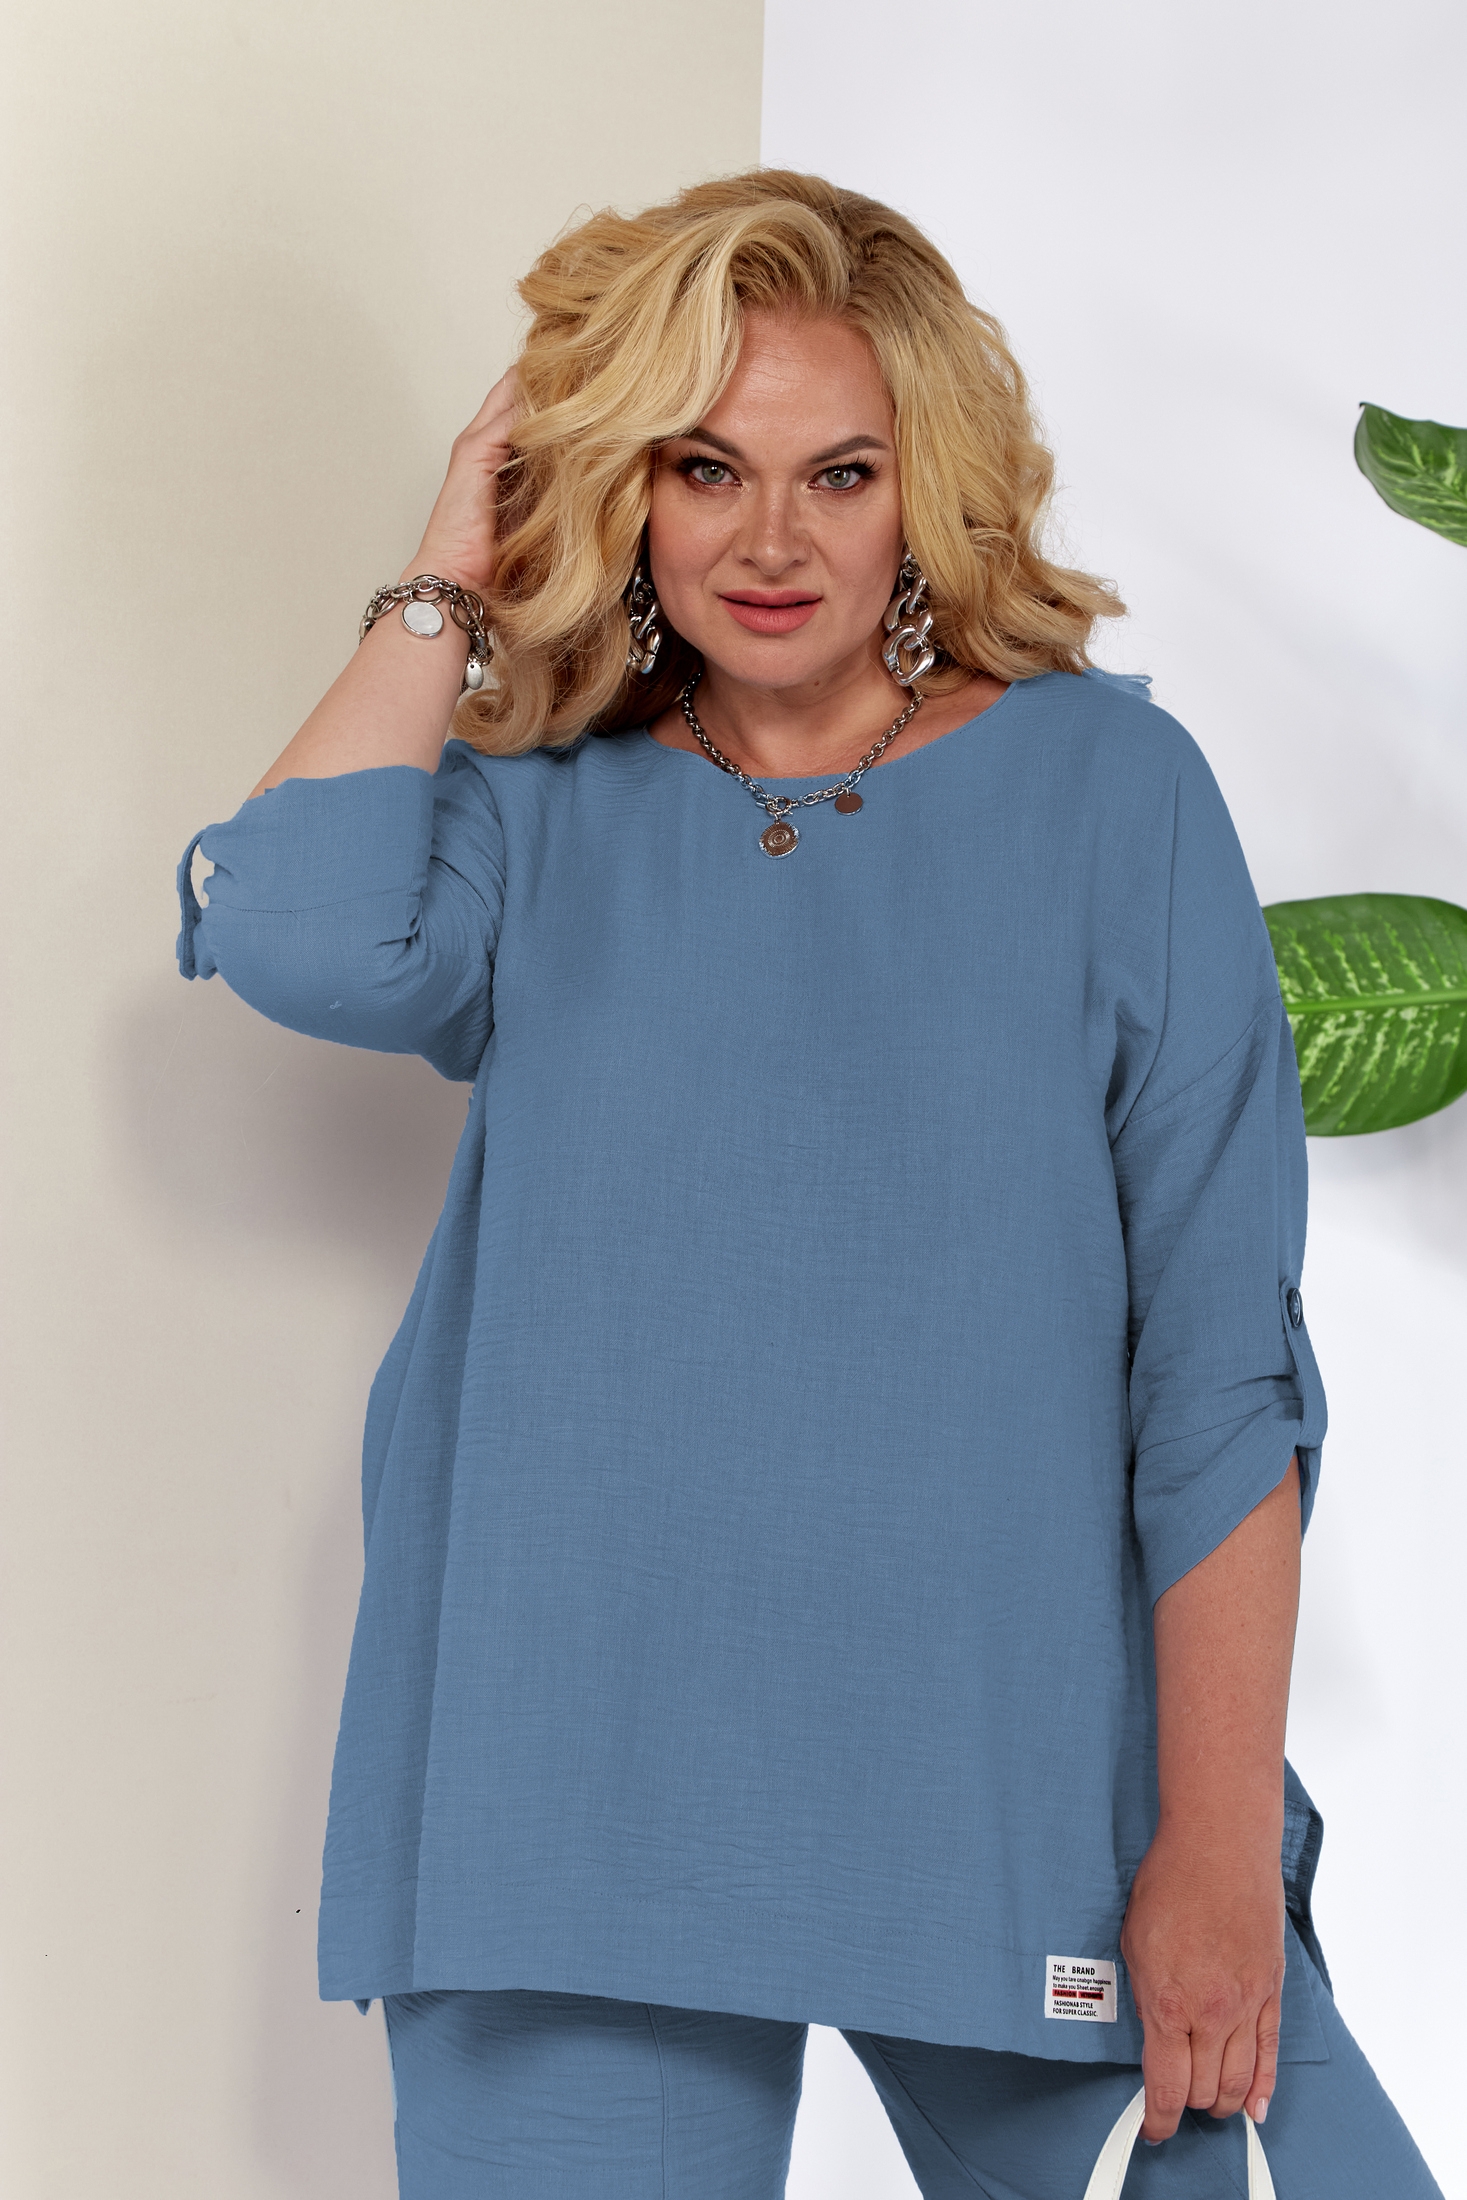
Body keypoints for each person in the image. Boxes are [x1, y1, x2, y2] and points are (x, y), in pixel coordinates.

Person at [175, 171, 1441, 2199]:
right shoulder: (534, 816)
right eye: (704, 466)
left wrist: (1212, 1853)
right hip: (572, 1788)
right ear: (623, 486)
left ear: (924, 488)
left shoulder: (1110, 797)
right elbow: (298, 935)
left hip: (1022, 1776)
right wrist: (449, 565)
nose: (770, 542)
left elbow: (1218, 1373)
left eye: (839, 473)